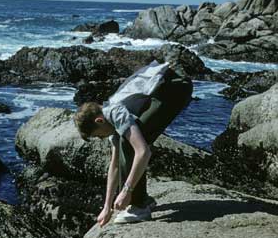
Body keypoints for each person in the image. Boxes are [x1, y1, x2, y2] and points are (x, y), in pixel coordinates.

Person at [74, 59, 193, 226]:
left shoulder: (115, 113)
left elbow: (143, 151)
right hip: (164, 86)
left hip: (175, 86)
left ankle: (139, 207)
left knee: (128, 143)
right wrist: (107, 207)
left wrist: (126, 191)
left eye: (98, 135)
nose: (101, 139)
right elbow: (115, 165)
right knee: (125, 143)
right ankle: (142, 199)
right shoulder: (109, 122)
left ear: (99, 121)